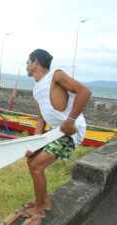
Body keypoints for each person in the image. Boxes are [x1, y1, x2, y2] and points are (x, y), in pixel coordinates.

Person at [20, 49, 91, 225]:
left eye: (27, 62)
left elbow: (84, 92)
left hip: (70, 131)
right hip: (57, 132)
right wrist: (35, 144)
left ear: (36, 61)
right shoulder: (37, 88)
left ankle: (39, 210)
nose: (26, 66)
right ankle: (43, 203)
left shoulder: (55, 75)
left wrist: (71, 120)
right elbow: (41, 119)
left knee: (37, 166)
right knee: (32, 160)